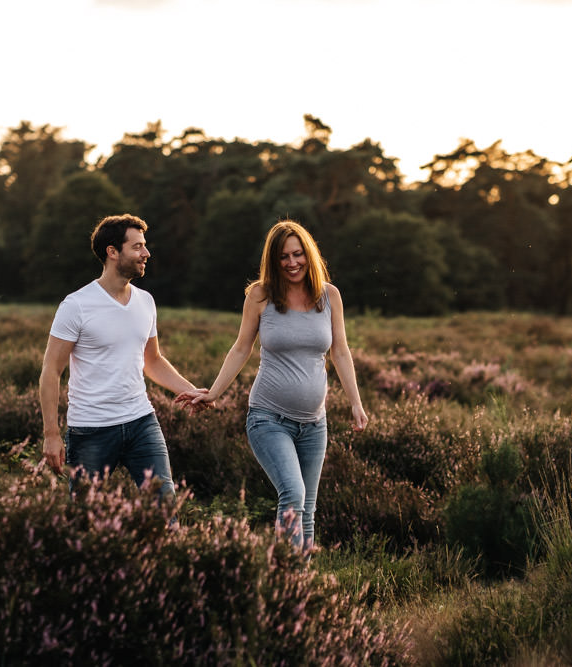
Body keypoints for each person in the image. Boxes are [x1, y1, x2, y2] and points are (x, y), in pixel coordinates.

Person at [175, 219, 368, 552]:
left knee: (307, 509)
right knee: (293, 495)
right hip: (268, 419)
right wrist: (214, 392)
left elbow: (340, 351)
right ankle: (285, 579)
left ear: (308, 254)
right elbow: (241, 347)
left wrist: (356, 402)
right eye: (283, 256)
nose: (292, 263)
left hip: (314, 424)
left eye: (297, 254)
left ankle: (297, 593)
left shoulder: (329, 296)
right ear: (273, 260)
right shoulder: (261, 296)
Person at [40, 213, 207, 502]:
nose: (147, 253)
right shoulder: (76, 305)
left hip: (142, 421)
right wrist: (51, 434)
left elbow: (152, 360)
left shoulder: (146, 302)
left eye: (145, 246)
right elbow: (51, 371)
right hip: (90, 429)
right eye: (138, 247)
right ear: (113, 252)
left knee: (164, 507)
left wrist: (189, 390)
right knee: (85, 518)